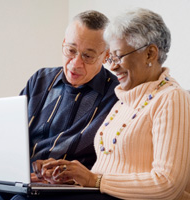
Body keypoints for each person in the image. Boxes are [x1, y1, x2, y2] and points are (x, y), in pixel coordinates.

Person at [11, 7, 190, 200]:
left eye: (118, 56)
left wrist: (94, 180)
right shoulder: (127, 96)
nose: (112, 66)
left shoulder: (171, 97)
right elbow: (104, 170)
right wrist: (68, 178)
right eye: (111, 58)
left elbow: (168, 184)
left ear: (150, 54)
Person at [0, 10, 119, 200]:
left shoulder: (116, 95)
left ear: (106, 55)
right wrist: (20, 172)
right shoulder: (40, 80)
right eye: (71, 50)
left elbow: (110, 162)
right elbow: (11, 137)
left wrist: (62, 177)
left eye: (88, 56)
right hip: (23, 180)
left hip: (66, 189)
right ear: (63, 44)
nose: (75, 64)